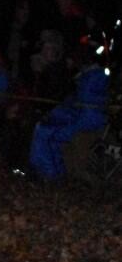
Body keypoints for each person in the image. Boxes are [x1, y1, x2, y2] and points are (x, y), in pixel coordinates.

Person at [29, 32, 110, 180]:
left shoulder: (94, 79)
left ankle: (52, 177)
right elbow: (71, 104)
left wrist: (61, 121)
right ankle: (42, 173)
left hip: (89, 120)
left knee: (51, 136)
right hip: (78, 116)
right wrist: (53, 115)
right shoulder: (84, 78)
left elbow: (88, 111)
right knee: (42, 128)